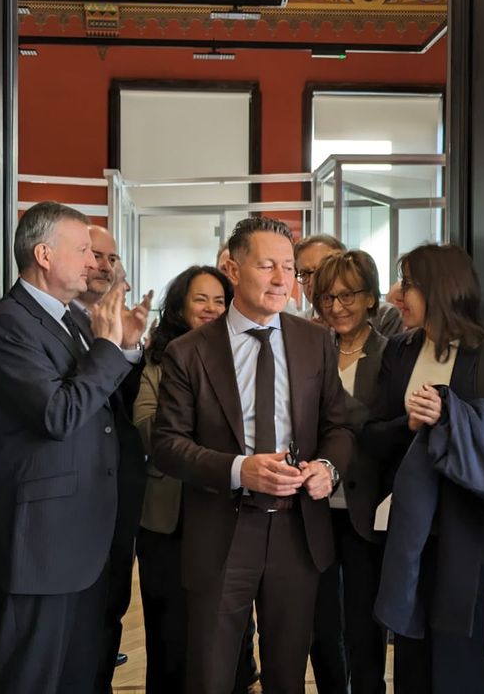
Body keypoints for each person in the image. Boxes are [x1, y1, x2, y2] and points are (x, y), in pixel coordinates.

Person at [151, 216, 352, 694]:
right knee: (211, 676)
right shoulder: (189, 352)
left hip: (297, 532)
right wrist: (241, 470)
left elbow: (339, 425)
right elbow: (167, 445)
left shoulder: (315, 342)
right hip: (222, 532)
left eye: (289, 267)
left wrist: (328, 468)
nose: (283, 279)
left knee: (287, 676)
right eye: (267, 266)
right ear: (232, 269)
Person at [0, 201, 137, 694]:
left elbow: (102, 406)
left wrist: (124, 346)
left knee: (77, 677)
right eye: (83, 250)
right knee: (34, 679)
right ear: (44, 255)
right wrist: (107, 349)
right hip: (44, 545)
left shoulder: (72, 318)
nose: (93, 262)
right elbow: (57, 415)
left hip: (85, 533)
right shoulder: (9, 324)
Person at [361, 243, 484, 694]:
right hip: (405, 523)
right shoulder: (399, 351)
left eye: (409, 284)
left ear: (440, 288)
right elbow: (371, 433)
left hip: (464, 521)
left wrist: (449, 416)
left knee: (459, 649)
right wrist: (410, 423)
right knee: (411, 649)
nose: (398, 295)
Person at [133, 265, 233, 694]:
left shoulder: (241, 357)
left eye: (219, 300)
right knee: (167, 635)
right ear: (179, 306)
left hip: (223, 514)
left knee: (219, 635)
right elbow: (145, 426)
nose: (211, 308)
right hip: (166, 517)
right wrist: (194, 431)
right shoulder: (157, 357)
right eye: (200, 299)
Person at [72, 225, 152, 691]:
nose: (103, 266)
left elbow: (129, 407)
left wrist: (131, 348)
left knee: (112, 599)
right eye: (94, 255)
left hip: (119, 482)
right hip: (71, 490)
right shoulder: (59, 321)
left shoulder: (122, 321)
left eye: (111, 258)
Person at [308, 250, 391, 694]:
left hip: (367, 506)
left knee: (363, 624)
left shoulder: (391, 354)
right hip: (314, 505)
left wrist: (339, 408)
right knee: (321, 625)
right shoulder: (309, 349)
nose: (336, 307)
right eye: (327, 297)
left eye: (348, 296)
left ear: (371, 298)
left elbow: (388, 430)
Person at [294, 234, 403, 337]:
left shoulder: (385, 316)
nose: (312, 281)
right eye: (304, 274)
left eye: (321, 270)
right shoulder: (296, 325)